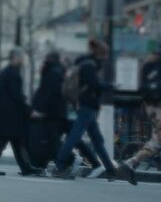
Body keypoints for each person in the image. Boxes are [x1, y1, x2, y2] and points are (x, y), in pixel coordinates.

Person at [52, 40, 136, 185]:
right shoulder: (89, 66)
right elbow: (93, 84)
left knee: (98, 141)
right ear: (99, 52)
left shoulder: (87, 64)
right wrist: (111, 86)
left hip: (88, 107)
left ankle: (111, 171)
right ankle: (59, 166)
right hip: (87, 107)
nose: (106, 56)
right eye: (105, 53)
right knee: (74, 137)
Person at [32, 52, 101, 173]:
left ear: (47, 62)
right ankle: (93, 162)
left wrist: (39, 109)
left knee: (54, 141)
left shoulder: (51, 73)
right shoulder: (59, 71)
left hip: (52, 114)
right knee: (73, 139)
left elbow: (46, 94)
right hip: (61, 112)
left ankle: (66, 162)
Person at [0, 48, 42, 176]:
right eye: (22, 57)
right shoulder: (13, 74)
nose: (23, 60)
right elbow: (17, 96)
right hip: (12, 115)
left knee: (12, 141)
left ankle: (23, 167)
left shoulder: (4, 73)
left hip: (5, 114)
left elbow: (0, 94)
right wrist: (29, 111)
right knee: (11, 141)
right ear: (16, 57)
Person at [121, 48, 161, 181]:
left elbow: (142, 89)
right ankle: (132, 162)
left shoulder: (146, 66)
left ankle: (132, 163)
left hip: (151, 107)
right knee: (157, 141)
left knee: (157, 141)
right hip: (158, 107)